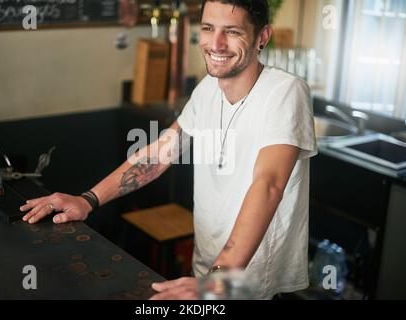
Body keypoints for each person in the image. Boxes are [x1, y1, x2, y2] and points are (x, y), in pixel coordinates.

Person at [20, 0, 317, 300]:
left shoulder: (285, 91)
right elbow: (162, 153)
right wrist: (88, 199)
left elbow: (268, 185)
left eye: (232, 31)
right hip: (204, 277)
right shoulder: (207, 90)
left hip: (248, 286)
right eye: (208, 28)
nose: (216, 43)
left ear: (262, 37)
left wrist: (219, 280)